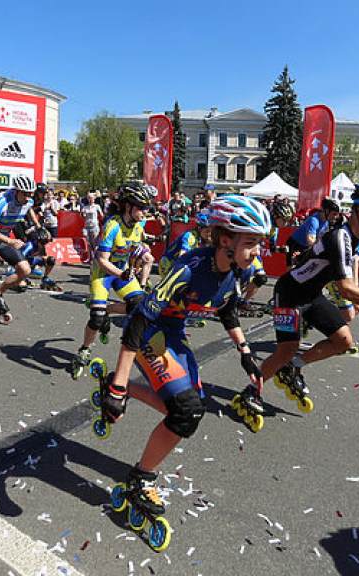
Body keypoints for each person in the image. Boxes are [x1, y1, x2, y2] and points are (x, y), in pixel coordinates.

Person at [97, 195, 268, 518]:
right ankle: (140, 479)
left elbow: (228, 311)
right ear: (225, 240)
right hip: (152, 330)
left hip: (174, 333)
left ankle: (125, 389)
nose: (258, 252)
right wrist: (120, 382)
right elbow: (139, 319)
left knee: (186, 414)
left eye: (259, 243)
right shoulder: (189, 268)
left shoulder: (237, 270)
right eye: (251, 242)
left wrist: (245, 353)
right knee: (185, 412)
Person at [237, 186, 359, 415]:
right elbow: (345, 289)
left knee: (343, 341)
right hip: (289, 294)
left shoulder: (355, 238)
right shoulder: (340, 237)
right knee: (286, 349)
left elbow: (343, 279)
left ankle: (293, 368)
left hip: (312, 295)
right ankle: (251, 390)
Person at [70, 184, 150, 378]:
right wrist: (122, 274)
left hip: (121, 271)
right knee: (96, 319)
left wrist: (137, 262)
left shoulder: (139, 227)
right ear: (127, 207)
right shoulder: (112, 225)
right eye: (141, 207)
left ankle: (106, 311)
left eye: (146, 207)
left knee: (139, 305)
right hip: (103, 273)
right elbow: (102, 260)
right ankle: (85, 349)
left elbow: (135, 252)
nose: (145, 212)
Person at [0, 175, 44, 321]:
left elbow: (29, 209)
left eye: (30, 194)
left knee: (25, 270)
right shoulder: (2, 201)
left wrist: (38, 227)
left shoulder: (28, 201)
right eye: (24, 194)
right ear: (15, 191)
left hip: (4, 239)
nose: (27, 197)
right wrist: (10, 240)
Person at [285, 197, 341, 266]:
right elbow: (311, 242)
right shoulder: (314, 221)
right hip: (295, 245)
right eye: (334, 214)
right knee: (293, 270)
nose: (336, 217)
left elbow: (321, 239)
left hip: (305, 247)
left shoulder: (326, 222)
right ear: (326, 211)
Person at [158, 211, 211, 278]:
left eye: (211, 231)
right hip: (167, 264)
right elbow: (182, 256)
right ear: (199, 228)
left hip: (177, 263)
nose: (209, 234)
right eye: (207, 231)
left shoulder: (201, 238)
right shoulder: (190, 237)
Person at [81, 192, 105, 261]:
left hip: (94, 225)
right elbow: (83, 216)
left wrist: (103, 223)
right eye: (89, 198)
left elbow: (102, 215)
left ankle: (96, 257)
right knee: (88, 242)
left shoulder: (97, 206)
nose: (90, 199)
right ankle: (89, 257)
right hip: (87, 225)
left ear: (94, 199)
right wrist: (82, 212)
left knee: (95, 242)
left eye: (91, 198)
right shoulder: (85, 207)